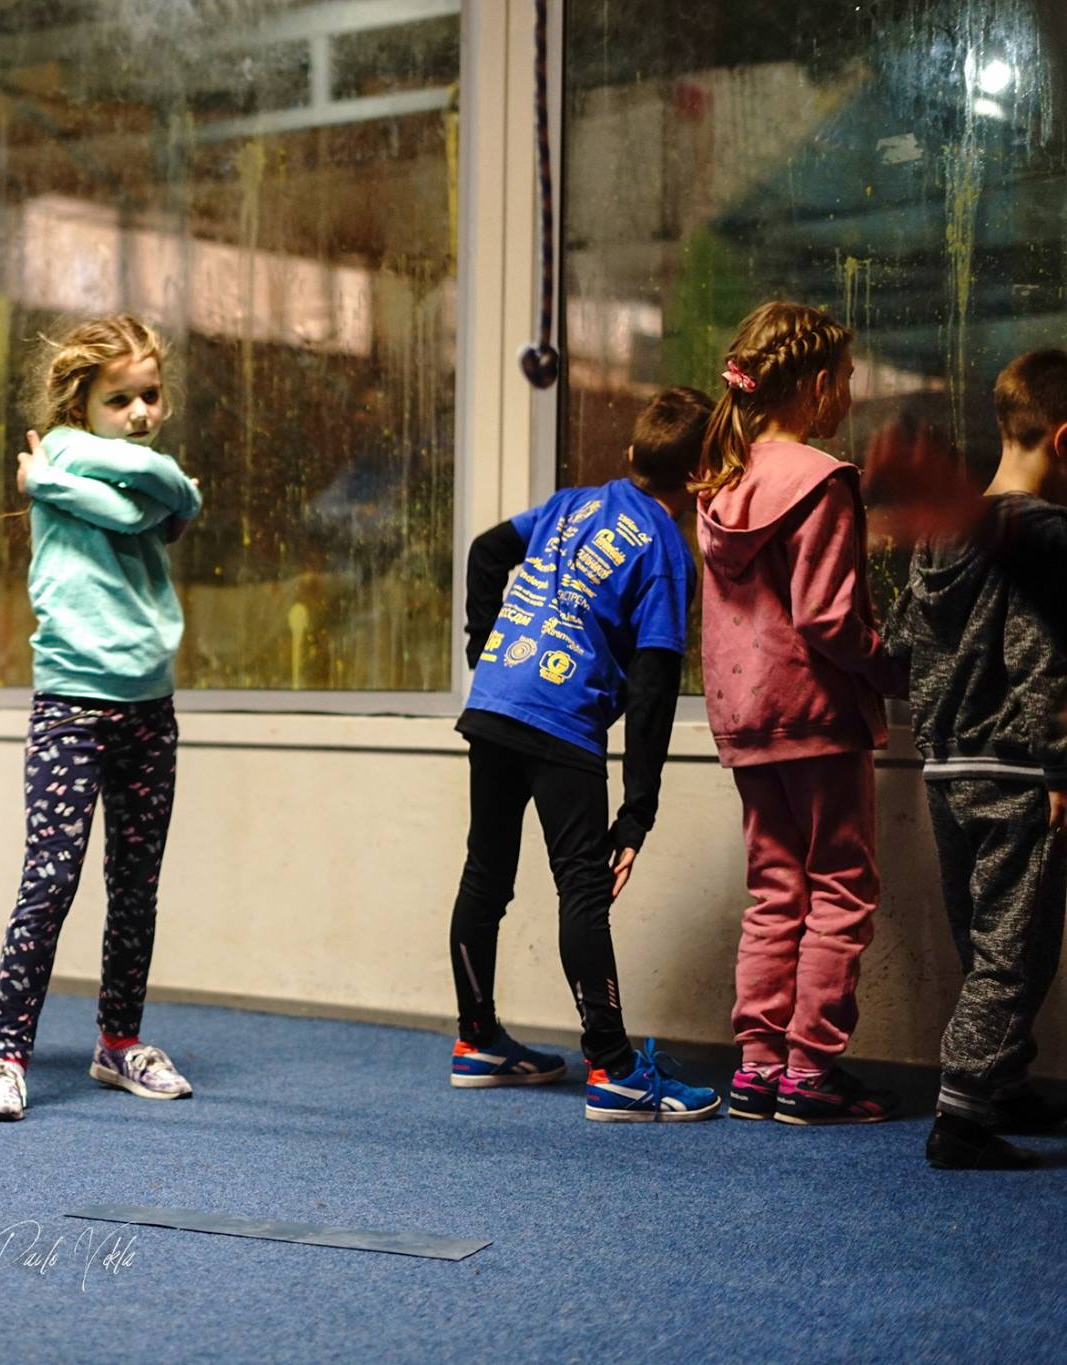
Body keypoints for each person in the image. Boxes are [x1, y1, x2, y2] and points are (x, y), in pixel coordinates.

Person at [448, 387, 720, 1121]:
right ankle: (615, 1070)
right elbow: (654, 689)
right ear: (702, 478)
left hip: (496, 704)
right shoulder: (665, 551)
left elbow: (485, 551)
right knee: (582, 887)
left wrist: (487, 648)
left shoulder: (571, 502)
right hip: (561, 721)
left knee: (486, 871)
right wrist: (637, 814)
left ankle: (476, 1039)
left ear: (631, 457)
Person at [0, 314, 202, 1122]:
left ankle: (117, 1042)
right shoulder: (66, 449)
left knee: (136, 887)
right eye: (119, 399)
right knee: (52, 878)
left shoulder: (105, 469)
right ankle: (6, 1055)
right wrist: (66, 479)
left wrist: (51, 485)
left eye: (151, 396)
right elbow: (159, 502)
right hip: (71, 703)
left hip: (149, 707)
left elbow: (178, 499)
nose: (139, 413)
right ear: (81, 404)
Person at [694, 300, 906, 1126]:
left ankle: (756, 1066)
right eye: (847, 379)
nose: (849, 393)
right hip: (816, 713)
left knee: (775, 888)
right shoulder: (821, 480)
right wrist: (891, 666)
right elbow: (827, 619)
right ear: (818, 386)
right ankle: (812, 1070)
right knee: (842, 888)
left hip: (746, 721)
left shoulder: (721, 482)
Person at [888, 349, 1067, 1168]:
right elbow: (1045, 659)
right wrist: (1059, 764)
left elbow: (902, 645)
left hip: (947, 768)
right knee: (1016, 944)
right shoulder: (1048, 533)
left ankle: (1001, 1084)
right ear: (1064, 441)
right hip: (1018, 771)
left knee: (982, 936)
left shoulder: (939, 540)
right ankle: (961, 1113)